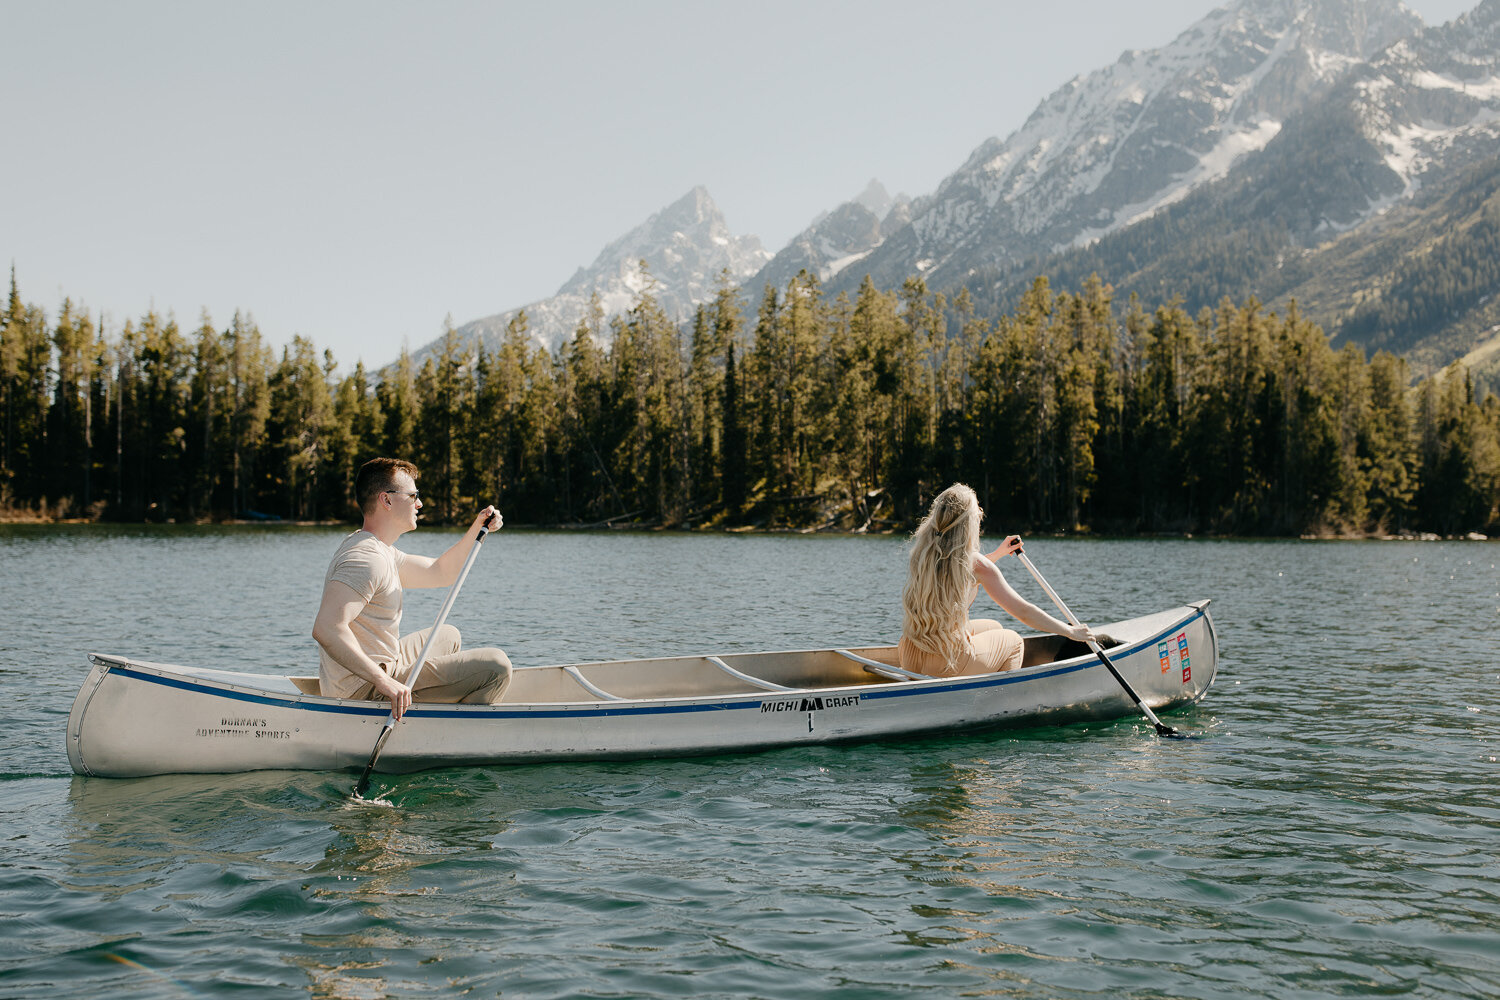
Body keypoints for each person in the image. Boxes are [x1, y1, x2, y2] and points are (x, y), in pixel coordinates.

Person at [312, 457, 511, 718]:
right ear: (387, 500)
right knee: (497, 667)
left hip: (381, 668)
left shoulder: (382, 551)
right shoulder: (365, 559)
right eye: (413, 495)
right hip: (363, 691)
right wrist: (384, 682)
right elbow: (327, 628)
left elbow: (440, 572)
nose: (420, 503)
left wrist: (479, 527)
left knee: (448, 636)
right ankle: (447, 733)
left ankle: (429, 706)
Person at [899, 483, 1094, 677]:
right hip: (946, 659)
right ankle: (999, 703)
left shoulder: (923, 554)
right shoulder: (976, 564)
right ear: (968, 523)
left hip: (910, 654)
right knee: (1014, 642)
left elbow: (960, 575)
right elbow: (1023, 612)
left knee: (994, 627)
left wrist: (997, 554)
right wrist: (1071, 632)